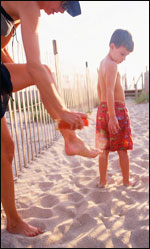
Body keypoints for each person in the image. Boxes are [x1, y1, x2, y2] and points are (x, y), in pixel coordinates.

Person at [1, 1, 100, 237]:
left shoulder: (17, 11)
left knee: (5, 149)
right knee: (43, 70)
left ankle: (13, 221)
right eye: (65, 2)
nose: (63, 9)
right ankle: (70, 137)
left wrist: (19, 73)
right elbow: (35, 67)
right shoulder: (29, 4)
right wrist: (62, 112)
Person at [96, 29, 136, 188]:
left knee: (103, 149)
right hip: (116, 111)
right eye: (122, 53)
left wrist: (103, 109)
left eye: (126, 55)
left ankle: (102, 181)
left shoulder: (102, 63)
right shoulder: (112, 65)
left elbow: (99, 88)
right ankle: (126, 181)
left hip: (103, 109)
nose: (123, 58)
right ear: (112, 46)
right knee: (122, 149)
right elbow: (110, 90)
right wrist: (112, 116)